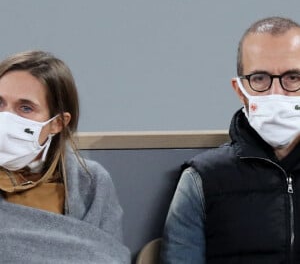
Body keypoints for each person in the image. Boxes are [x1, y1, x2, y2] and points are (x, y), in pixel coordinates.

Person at [160, 16, 300, 263]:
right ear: (240, 90)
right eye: (260, 79)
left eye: (293, 78)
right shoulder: (202, 179)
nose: (276, 93)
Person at [0, 50, 130, 263]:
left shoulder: (91, 181)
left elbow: (110, 256)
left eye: (25, 108)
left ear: (57, 123)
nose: (6, 118)